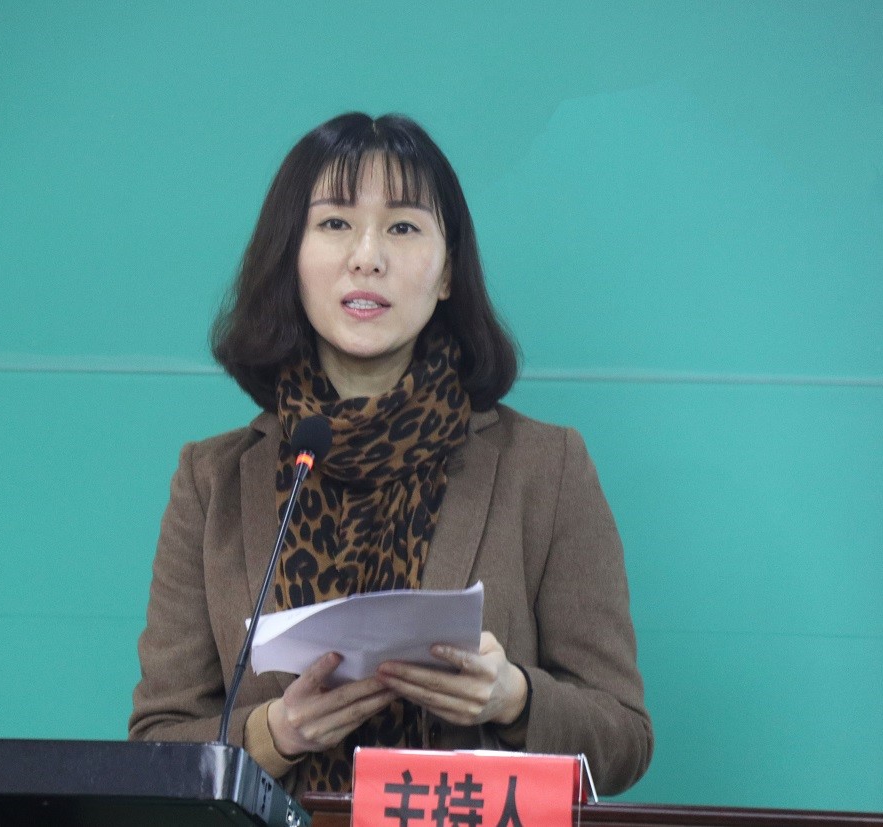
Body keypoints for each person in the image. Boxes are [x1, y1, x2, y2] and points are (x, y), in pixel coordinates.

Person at [128, 112, 653, 797]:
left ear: (446, 271)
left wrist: (514, 698)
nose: (367, 255)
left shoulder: (545, 468)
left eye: (403, 227)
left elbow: (623, 740)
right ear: (291, 258)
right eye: (334, 223)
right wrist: (271, 734)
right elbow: (155, 744)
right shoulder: (213, 481)